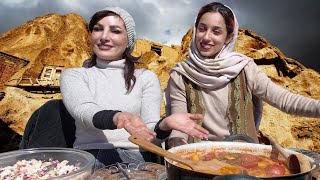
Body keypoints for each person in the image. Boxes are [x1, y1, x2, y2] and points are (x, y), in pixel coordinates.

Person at [60, 6, 208, 167]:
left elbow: (151, 138)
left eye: (115, 31)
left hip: (135, 159)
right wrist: (118, 117)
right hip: (90, 157)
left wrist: (165, 125)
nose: (104, 37)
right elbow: (84, 110)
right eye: (98, 29)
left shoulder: (145, 77)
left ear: (128, 41)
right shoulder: (74, 75)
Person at [165, 2, 320, 148]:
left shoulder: (244, 68)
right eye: (202, 29)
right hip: (198, 160)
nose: (206, 37)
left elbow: (285, 101)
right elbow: (181, 124)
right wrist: (177, 143)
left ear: (228, 37)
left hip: (246, 159)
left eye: (216, 31)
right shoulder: (181, 74)